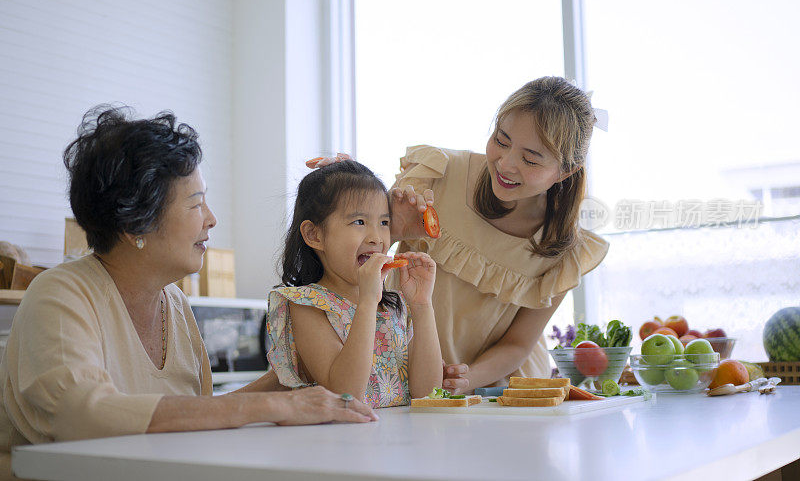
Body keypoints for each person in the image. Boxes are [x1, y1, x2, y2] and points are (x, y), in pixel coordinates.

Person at [0, 106, 375, 480]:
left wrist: (291, 376)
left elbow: (193, 413)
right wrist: (275, 404)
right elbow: (84, 414)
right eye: (196, 203)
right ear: (135, 224)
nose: (211, 219)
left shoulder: (173, 302)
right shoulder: (60, 294)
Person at [312, 77, 609, 393]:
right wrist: (347, 196)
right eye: (501, 140)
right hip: (405, 373)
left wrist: (466, 378)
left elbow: (519, 343)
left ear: (567, 170)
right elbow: (357, 262)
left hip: (497, 389)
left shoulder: (564, 247)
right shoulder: (439, 175)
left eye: (530, 159)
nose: (506, 164)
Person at [267, 160, 442, 408]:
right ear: (314, 235)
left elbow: (428, 393)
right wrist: (368, 301)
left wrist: (422, 305)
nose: (376, 238)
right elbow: (345, 396)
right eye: (359, 222)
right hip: (342, 443)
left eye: (384, 223)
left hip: (400, 441)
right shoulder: (306, 304)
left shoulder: (393, 307)